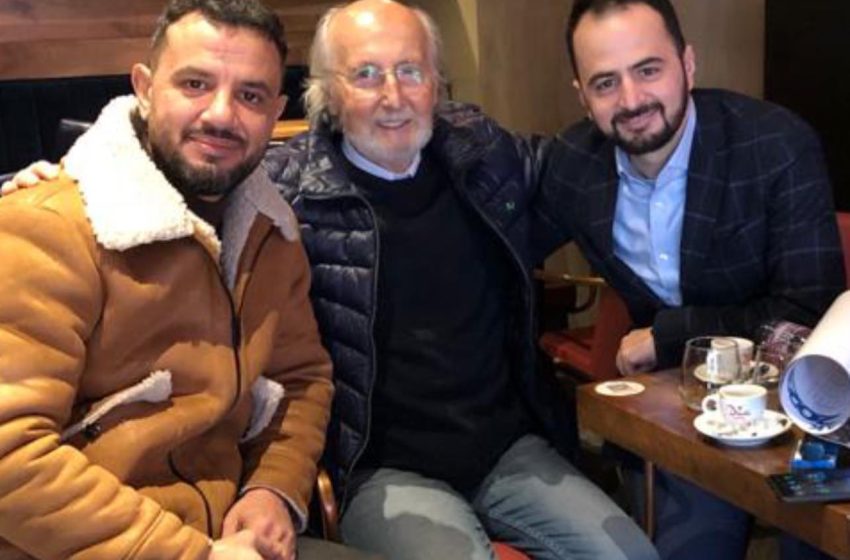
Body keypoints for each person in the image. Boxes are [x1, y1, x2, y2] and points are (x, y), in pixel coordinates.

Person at [261, 1, 658, 559]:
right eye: (366, 74)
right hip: (382, 470)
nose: (393, 97)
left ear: (436, 84)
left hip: (506, 449)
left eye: (410, 71)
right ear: (327, 91)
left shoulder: (482, 153)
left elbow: (576, 164)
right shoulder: (287, 196)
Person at [0, 1, 377, 559]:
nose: (221, 115)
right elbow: (9, 454)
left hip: (227, 535)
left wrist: (273, 489)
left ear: (276, 112)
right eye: (195, 84)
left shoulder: (271, 232)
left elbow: (300, 379)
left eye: (250, 95)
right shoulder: (47, 226)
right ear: (145, 88)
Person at [532, 0, 845, 558]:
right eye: (606, 82)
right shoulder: (573, 165)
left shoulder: (774, 144)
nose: (632, 100)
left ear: (688, 64)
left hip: (801, 408)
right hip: (678, 409)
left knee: (817, 541)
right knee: (682, 549)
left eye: (648, 69)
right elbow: (496, 229)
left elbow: (806, 311)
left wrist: (670, 336)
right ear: (582, 94)